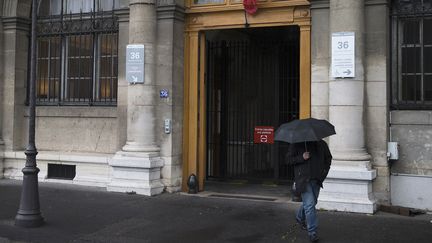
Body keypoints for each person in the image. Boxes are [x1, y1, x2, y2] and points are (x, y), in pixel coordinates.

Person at [286, 139, 332, 242]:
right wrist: (301, 157)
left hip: (317, 180)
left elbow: (328, 159)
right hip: (303, 180)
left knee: (311, 203)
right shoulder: (296, 143)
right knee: (310, 205)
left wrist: (323, 173)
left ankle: (299, 217)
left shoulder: (321, 144)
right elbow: (288, 160)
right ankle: (312, 232)